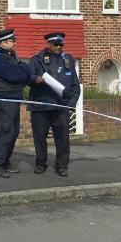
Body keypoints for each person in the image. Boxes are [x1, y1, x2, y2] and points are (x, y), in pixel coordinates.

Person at [0, 29, 41, 178]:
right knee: (4, 132)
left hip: (13, 98)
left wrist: (24, 71)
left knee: (14, 132)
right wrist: (23, 71)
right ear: (3, 43)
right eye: (12, 41)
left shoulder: (10, 56)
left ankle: (5, 161)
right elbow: (15, 75)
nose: (15, 43)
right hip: (3, 99)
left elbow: (25, 70)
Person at [27, 32, 81, 177]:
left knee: (63, 139)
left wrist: (71, 104)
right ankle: (40, 164)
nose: (58, 47)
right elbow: (27, 77)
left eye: (61, 44)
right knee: (39, 138)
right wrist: (34, 79)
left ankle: (62, 166)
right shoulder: (37, 59)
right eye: (55, 44)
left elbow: (75, 86)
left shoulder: (68, 60)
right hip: (41, 105)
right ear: (48, 44)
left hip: (61, 107)